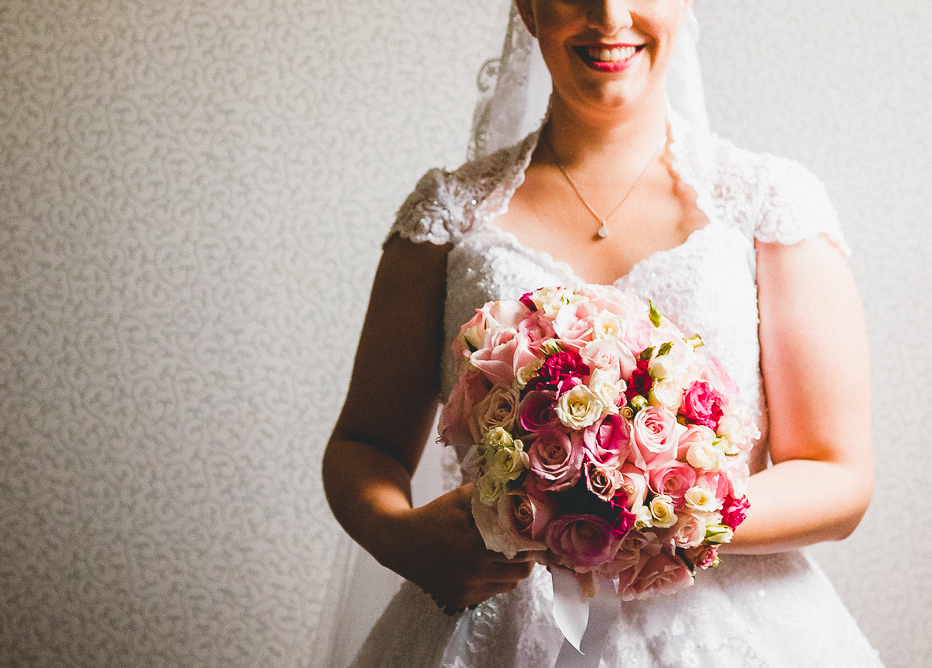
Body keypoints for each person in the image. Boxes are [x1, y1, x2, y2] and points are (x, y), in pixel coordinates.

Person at [322, 0, 884, 666]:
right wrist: (402, 535)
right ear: (528, 9)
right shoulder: (449, 218)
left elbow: (836, 474)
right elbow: (366, 444)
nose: (610, 16)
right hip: (493, 622)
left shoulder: (768, 207)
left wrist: (660, 511)